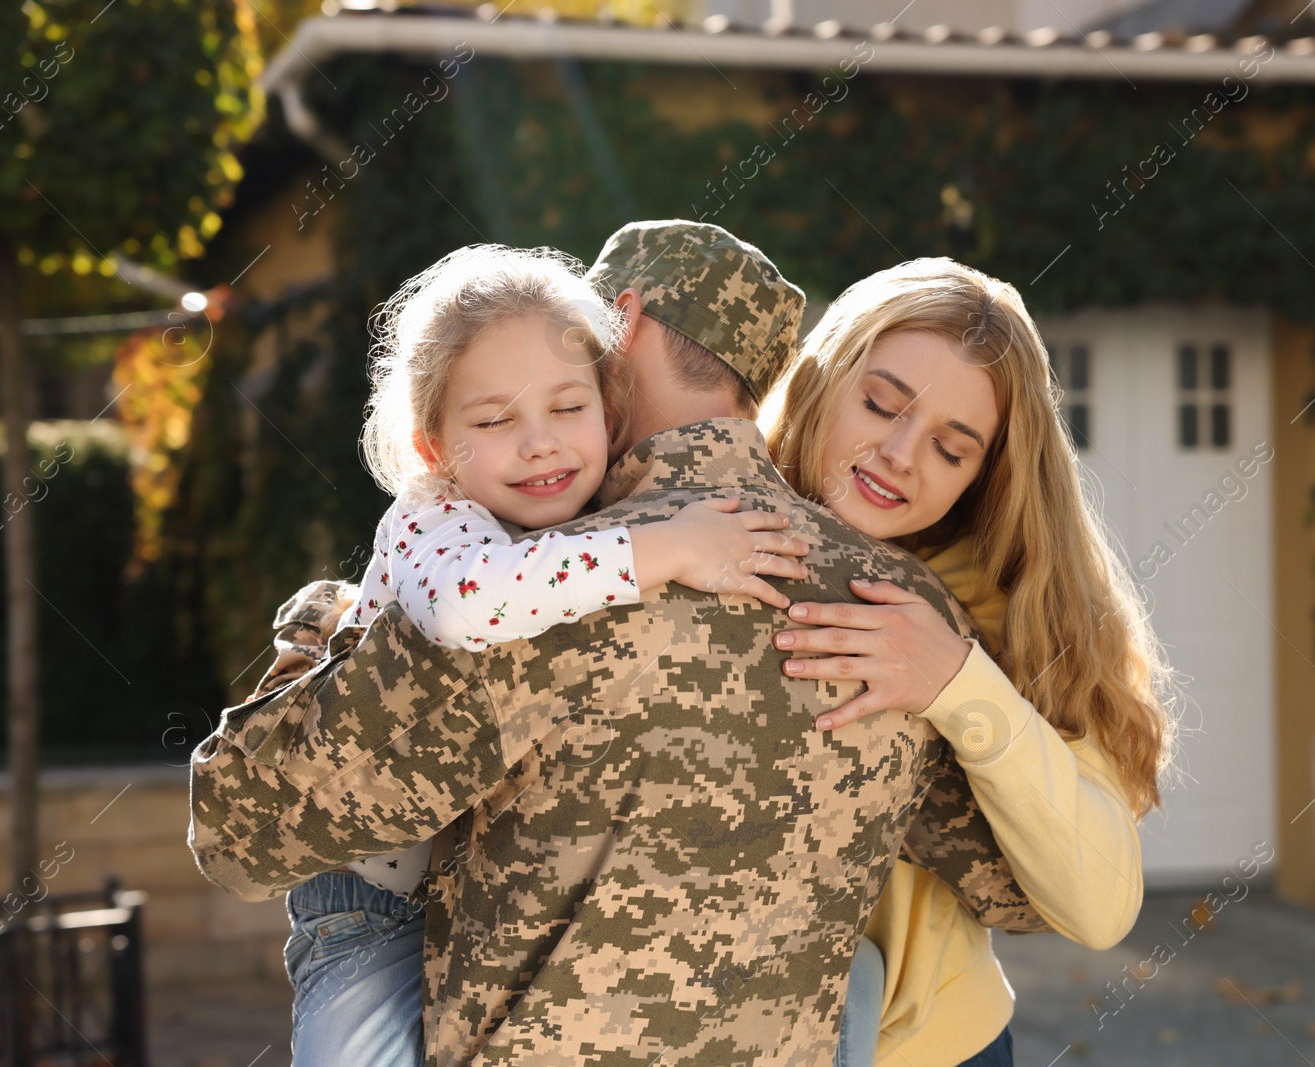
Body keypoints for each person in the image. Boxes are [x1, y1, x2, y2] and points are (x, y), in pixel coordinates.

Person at [188, 220, 1048, 1067]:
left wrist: (319, 636)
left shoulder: (546, 590)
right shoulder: (903, 619)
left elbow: (241, 829)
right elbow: (1016, 886)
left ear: (620, 322)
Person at [269, 244, 811, 1066]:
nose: (540, 445)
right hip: (369, 895)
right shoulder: (431, 519)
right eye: (493, 421)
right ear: (433, 448)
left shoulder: (571, 513)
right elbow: (469, 602)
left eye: (569, 407)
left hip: (472, 891)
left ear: (610, 404)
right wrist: (669, 547)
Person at [764, 258, 1175, 1066]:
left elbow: (1103, 905)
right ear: (821, 377)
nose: (899, 454)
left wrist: (956, 682)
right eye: (881, 404)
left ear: (985, 474)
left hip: (928, 1046)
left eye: (951, 450)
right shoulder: (703, 518)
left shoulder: (1006, 607)